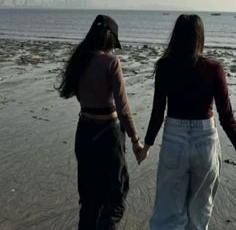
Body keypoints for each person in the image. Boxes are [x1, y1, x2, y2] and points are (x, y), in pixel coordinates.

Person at [138, 14, 236, 230]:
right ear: (200, 37)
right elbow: (227, 116)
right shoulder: (214, 68)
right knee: (199, 215)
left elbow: (158, 111)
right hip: (205, 141)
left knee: (167, 213)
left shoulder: (164, 67)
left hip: (174, 139)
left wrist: (146, 145)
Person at [58, 14, 142, 230]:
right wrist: (135, 139)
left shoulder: (79, 60)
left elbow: (77, 95)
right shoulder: (111, 63)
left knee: (88, 196)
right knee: (114, 196)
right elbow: (123, 108)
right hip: (108, 135)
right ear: (109, 37)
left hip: (84, 129)